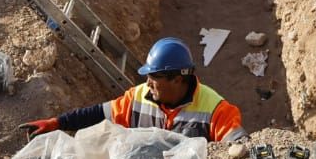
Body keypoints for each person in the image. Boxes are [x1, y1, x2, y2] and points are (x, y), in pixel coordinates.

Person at [21, 37, 245, 142]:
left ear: (177, 79)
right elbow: (97, 114)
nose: (147, 84)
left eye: (154, 77)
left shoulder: (215, 109)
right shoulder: (138, 98)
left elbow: (239, 146)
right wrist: (57, 123)